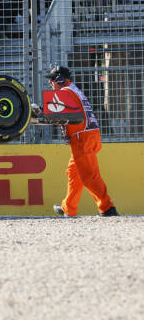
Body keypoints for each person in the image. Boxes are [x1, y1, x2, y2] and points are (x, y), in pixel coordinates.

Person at [46, 66, 118, 217]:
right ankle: (68, 208)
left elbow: (56, 117)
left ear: (59, 79)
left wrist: (39, 114)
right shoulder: (74, 89)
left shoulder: (64, 92)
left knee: (89, 176)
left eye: (52, 80)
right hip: (91, 135)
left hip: (81, 139)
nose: (51, 83)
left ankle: (107, 208)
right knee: (74, 172)